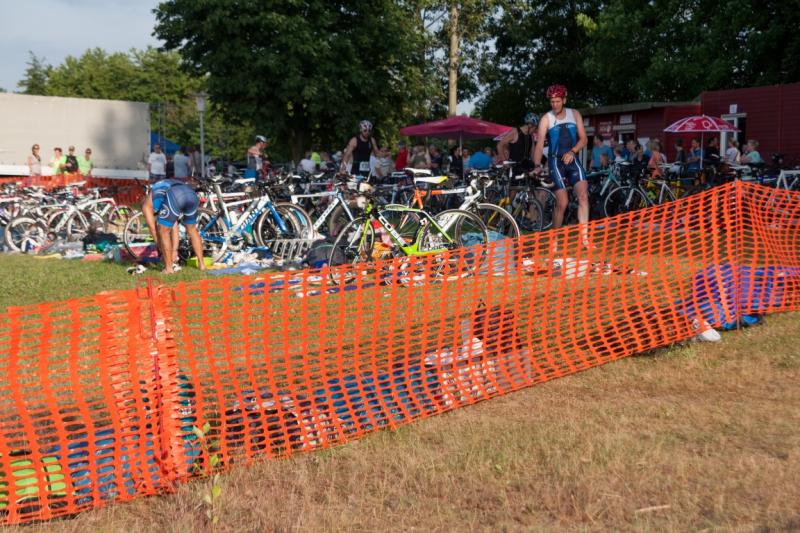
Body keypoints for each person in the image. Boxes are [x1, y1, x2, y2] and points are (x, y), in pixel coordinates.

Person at [533, 84, 589, 242]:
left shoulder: (574, 114)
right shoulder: (546, 118)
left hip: (572, 159)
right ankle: (554, 239)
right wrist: (537, 166)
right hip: (555, 162)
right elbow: (539, 145)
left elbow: (584, 139)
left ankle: (585, 239)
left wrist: (573, 151)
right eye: (552, 102)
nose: (555, 105)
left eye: (557, 101)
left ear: (564, 100)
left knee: (583, 196)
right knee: (563, 202)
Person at [141, 178, 205, 274]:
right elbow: (174, 226)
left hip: (175, 194)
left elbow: (153, 229)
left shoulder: (146, 205)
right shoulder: (158, 192)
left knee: (163, 231)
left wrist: (161, 250)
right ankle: (202, 265)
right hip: (191, 193)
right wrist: (174, 250)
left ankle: (168, 268)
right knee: (192, 230)